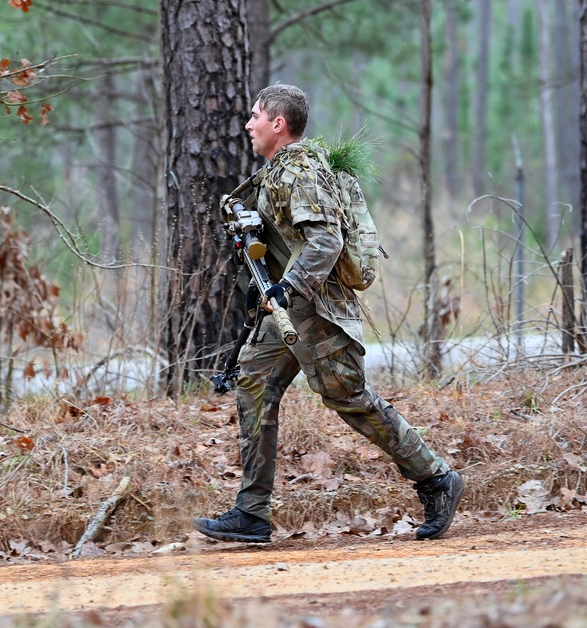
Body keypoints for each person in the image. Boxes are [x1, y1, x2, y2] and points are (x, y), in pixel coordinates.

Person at [193, 83, 463, 544]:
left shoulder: (300, 172)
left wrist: (288, 287)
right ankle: (251, 513)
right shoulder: (277, 172)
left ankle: (437, 478)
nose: (248, 123)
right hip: (287, 309)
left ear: (278, 124)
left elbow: (325, 241)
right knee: (254, 383)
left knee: (350, 397)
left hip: (314, 309)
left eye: (255, 115)